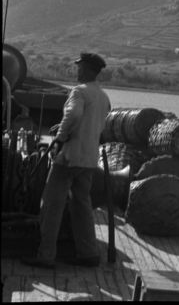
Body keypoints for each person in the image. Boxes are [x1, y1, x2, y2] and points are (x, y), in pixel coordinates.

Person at [22, 52, 111, 269]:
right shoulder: (103, 97)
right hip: (89, 159)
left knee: (51, 205)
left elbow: (73, 115)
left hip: (69, 158)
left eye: (80, 68)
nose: (77, 71)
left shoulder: (79, 92)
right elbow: (95, 125)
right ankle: (89, 253)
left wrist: (60, 137)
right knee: (82, 206)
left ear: (87, 70)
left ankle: (46, 255)